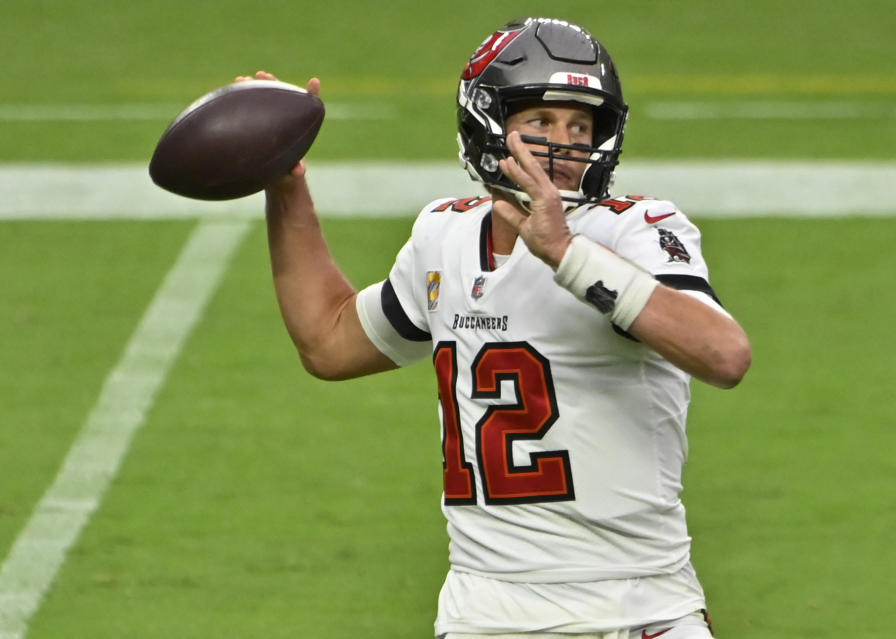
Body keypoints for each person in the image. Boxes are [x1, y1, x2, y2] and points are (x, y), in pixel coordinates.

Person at [247, 15, 751, 639]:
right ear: (488, 124)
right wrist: (286, 185)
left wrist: (568, 255)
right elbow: (328, 340)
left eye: (580, 126)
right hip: (486, 613)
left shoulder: (632, 229)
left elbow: (724, 354)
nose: (563, 146)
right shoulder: (444, 235)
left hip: (637, 608)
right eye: (540, 122)